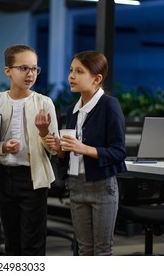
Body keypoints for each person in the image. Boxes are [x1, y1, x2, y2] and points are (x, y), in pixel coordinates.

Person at [0, 44, 59, 256]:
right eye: (23, 68)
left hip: (32, 178)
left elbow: (56, 149)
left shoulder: (44, 102)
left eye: (34, 69)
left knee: (33, 243)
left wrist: (43, 131)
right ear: (8, 71)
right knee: (12, 241)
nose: (30, 74)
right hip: (4, 177)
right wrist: (3, 147)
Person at [45, 50, 127, 256]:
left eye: (79, 71)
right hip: (76, 185)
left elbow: (118, 152)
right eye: (71, 70)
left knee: (101, 250)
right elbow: (67, 156)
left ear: (97, 78)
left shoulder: (110, 105)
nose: (71, 76)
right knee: (84, 249)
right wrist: (59, 149)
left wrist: (84, 148)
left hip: (102, 186)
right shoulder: (72, 110)